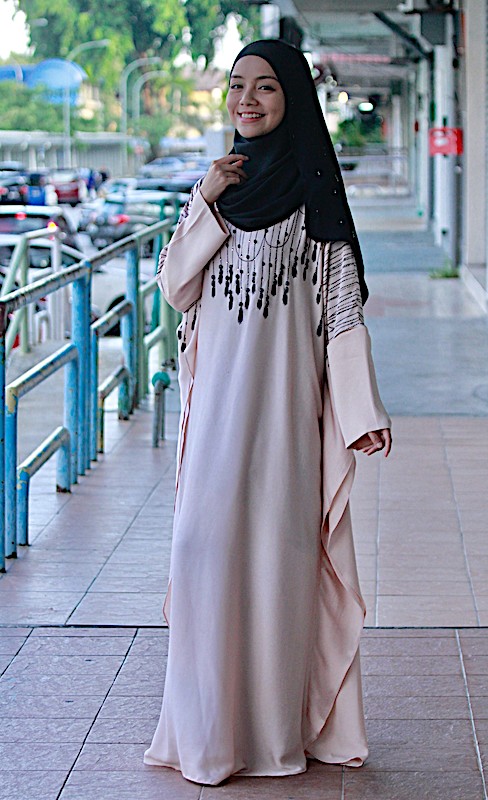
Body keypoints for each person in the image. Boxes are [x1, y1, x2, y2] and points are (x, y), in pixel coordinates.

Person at [144, 39, 392, 786]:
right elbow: (176, 288)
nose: (246, 101)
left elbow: (341, 314)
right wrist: (205, 199)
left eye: (265, 88)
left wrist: (361, 410)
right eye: (236, 86)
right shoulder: (218, 192)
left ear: (294, 100)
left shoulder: (316, 198)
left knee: (274, 570)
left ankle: (272, 734)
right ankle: (208, 736)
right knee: (201, 553)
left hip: (285, 419)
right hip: (214, 417)